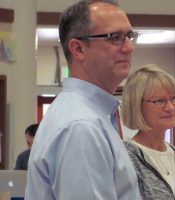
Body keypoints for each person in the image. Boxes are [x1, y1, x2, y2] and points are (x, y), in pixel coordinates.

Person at [25, 1, 141, 199]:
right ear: (78, 49)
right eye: (115, 37)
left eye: (129, 36)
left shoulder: (90, 115)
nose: (129, 47)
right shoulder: (81, 127)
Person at [121, 64, 175, 200]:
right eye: (160, 101)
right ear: (136, 105)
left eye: (173, 99)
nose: (170, 107)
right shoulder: (125, 157)